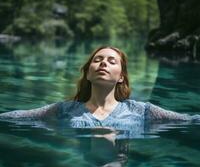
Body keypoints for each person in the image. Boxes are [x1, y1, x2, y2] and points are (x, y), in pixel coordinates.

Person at [0, 46, 199, 132]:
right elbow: (21, 115)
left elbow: (188, 120)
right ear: (88, 73)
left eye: (111, 61)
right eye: (98, 60)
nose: (103, 63)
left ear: (121, 77)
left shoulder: (143, 111)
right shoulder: (65, 109)